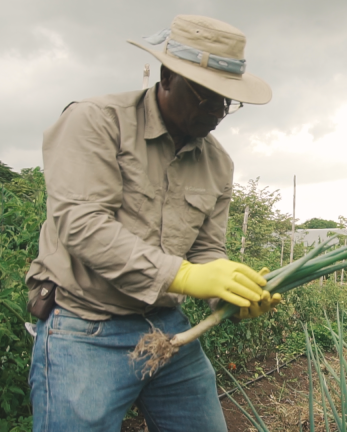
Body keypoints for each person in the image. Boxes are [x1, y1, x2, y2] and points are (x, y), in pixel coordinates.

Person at [25, 15, 280, 431]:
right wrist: (183, 275)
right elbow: (82, 224)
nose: (217, 111)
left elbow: (206, 250)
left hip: (165, 326)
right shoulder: (97, 121)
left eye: (227, 102)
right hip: (85, 324)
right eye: (207, 96)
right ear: (166, 76)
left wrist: (229, 295)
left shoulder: (217, 162)